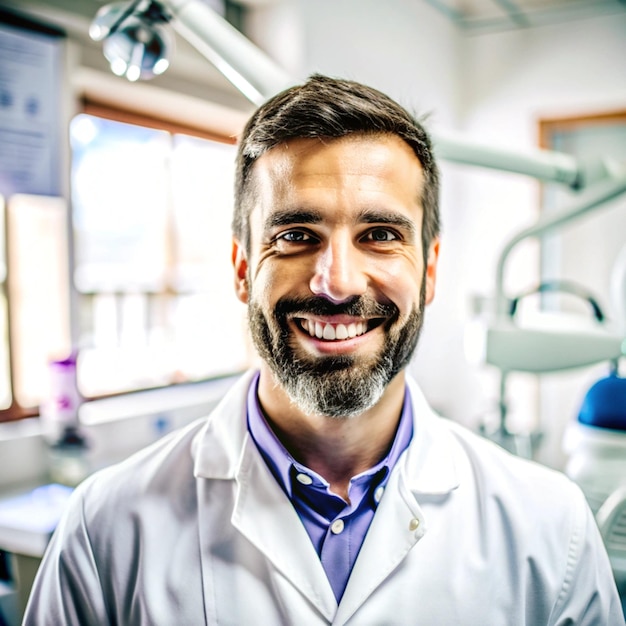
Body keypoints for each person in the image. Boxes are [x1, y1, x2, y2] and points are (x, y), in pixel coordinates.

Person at [24, 75, 623, 625]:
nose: (336, 282)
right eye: (294, 236)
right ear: (241, 267)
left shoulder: (552, 529)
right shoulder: (104, 528)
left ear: (430, 270)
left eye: (380, 235)